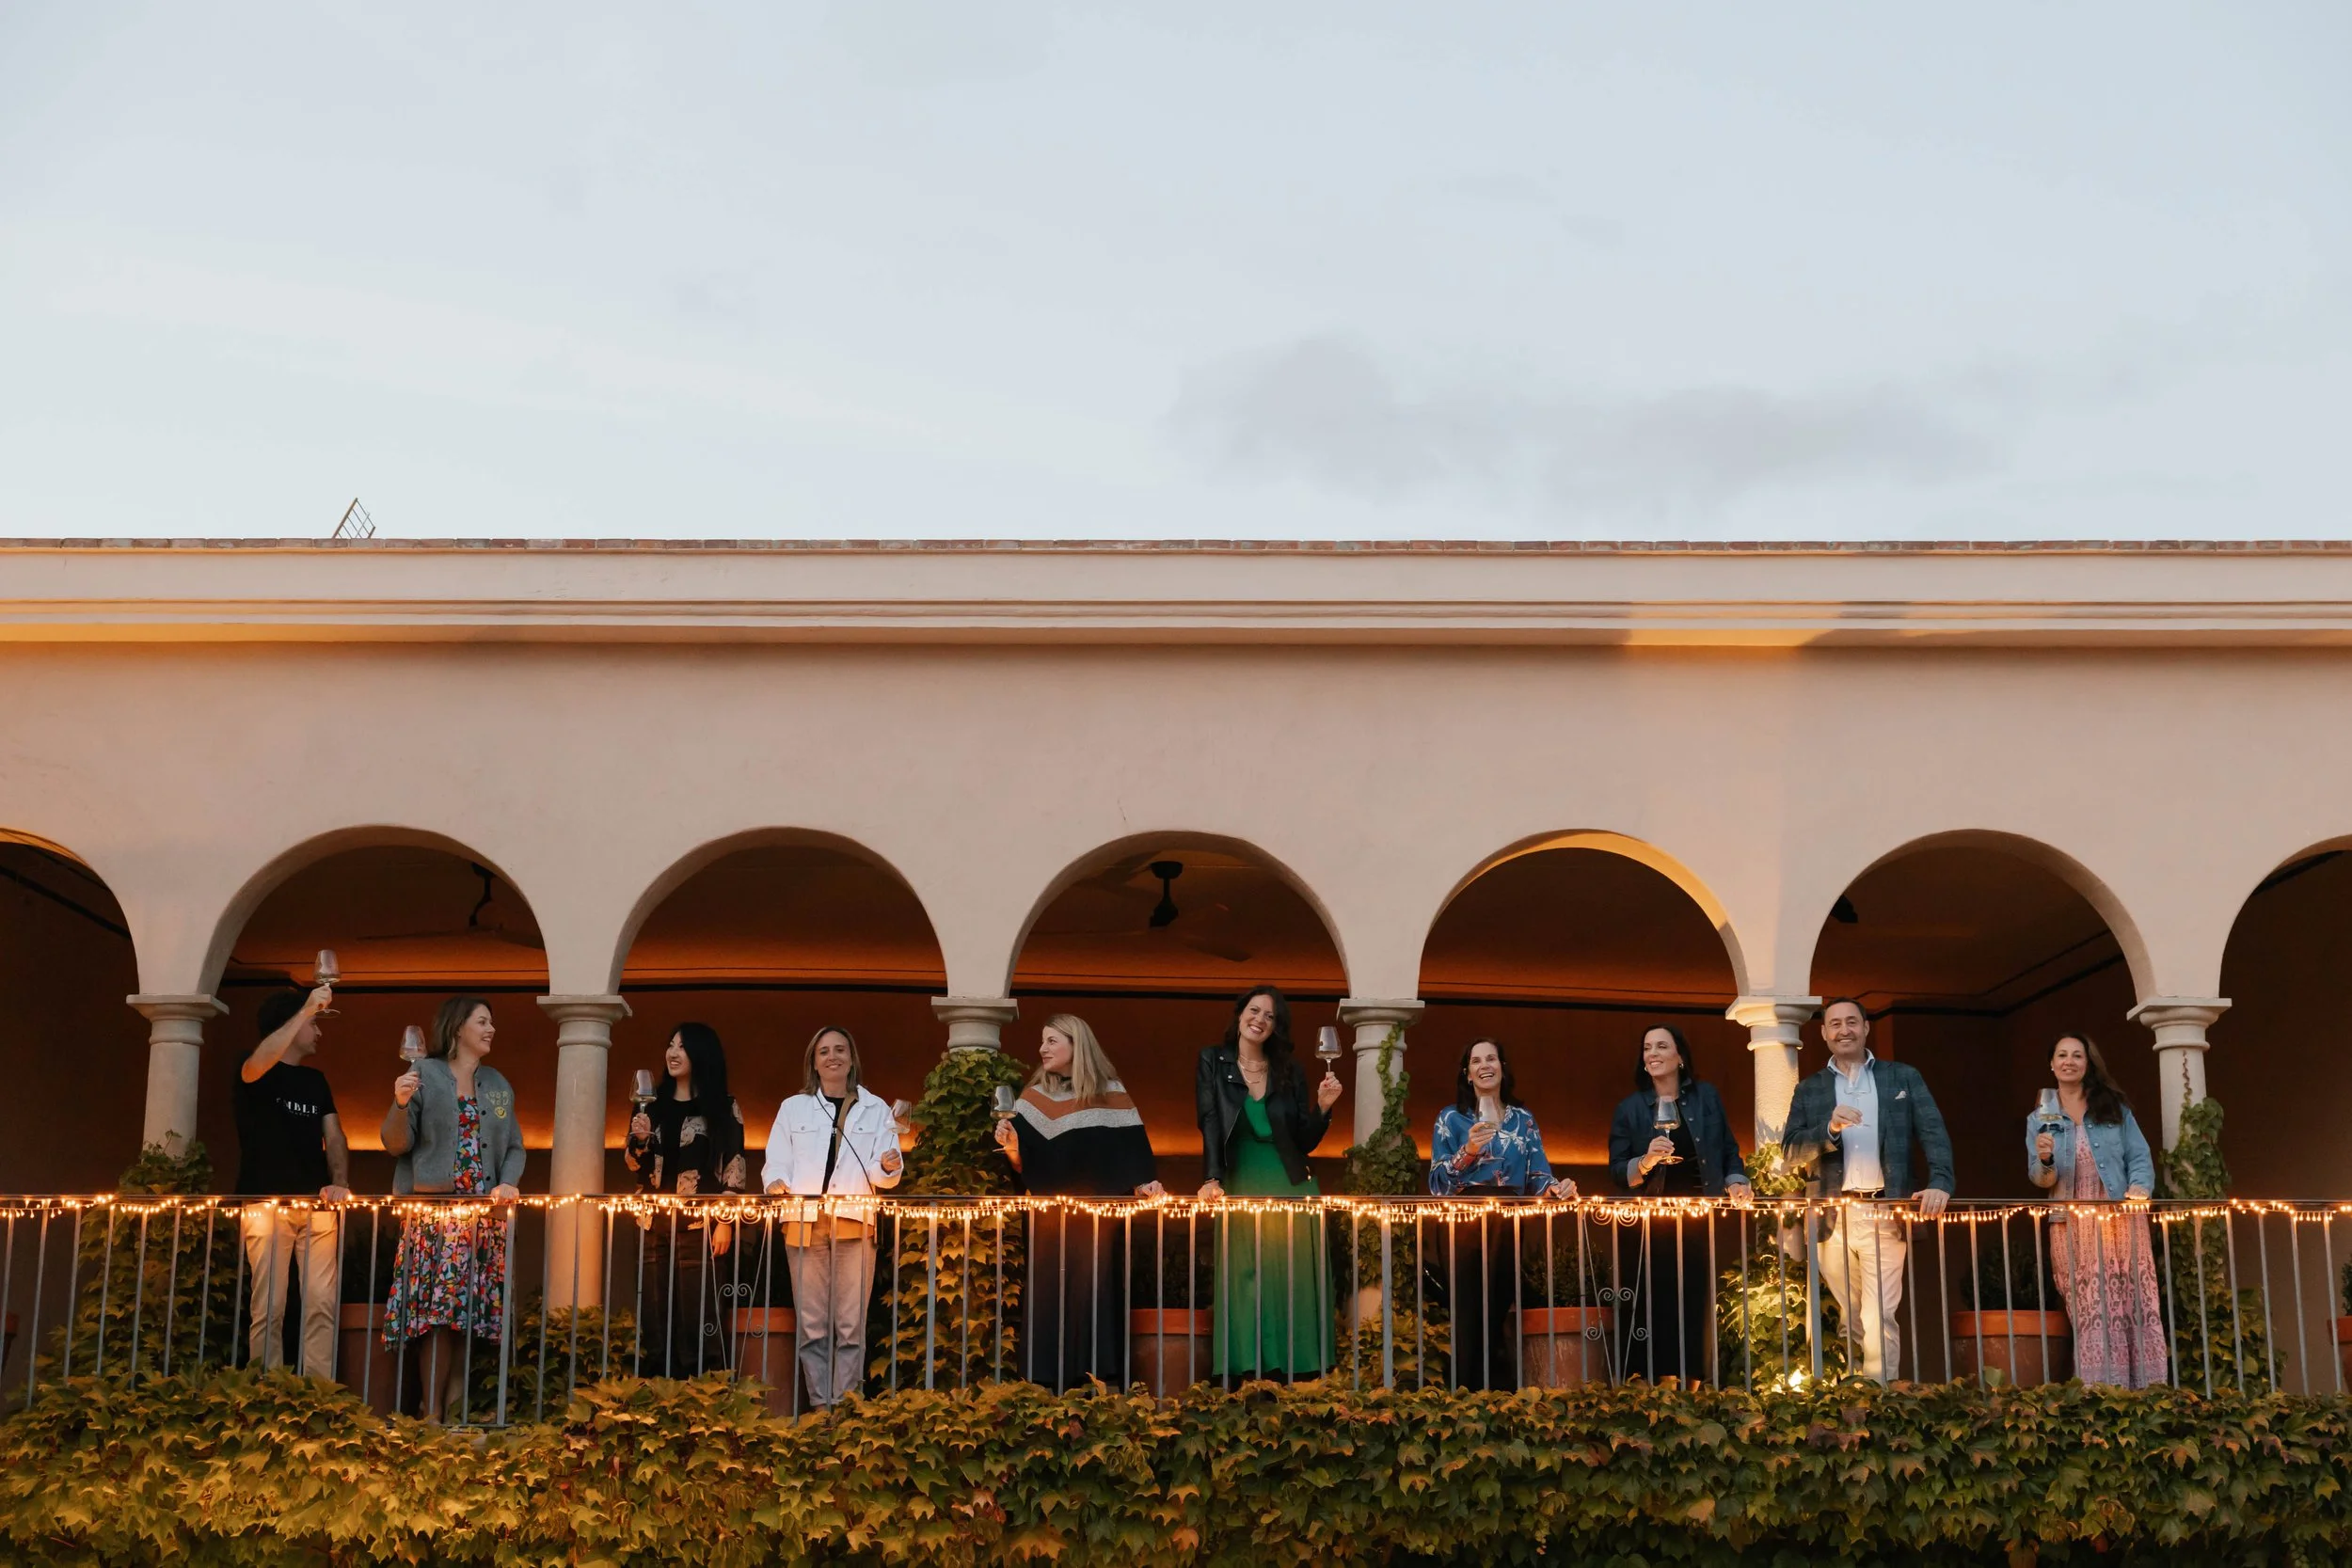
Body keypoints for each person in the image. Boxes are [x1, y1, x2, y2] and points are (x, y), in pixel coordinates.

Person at [1780, 998, 1953, 1384]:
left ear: (1866, 1028)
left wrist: (1940, 1181)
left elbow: (1933, 1133)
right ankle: (1857, 1395)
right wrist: (1828, 1131)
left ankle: (1881, 1401)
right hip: (1832, 1215)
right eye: (1835, 1024)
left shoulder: (1902, 1077)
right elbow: (1791, 1151)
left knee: (1880, 1313)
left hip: (1885, 1211)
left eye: (1852, 1022)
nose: (1844, 1030)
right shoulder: (1810, 1090)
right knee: (1852, 1314)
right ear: (1824, 1034)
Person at [992, 1015, 1165, 1390]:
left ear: (1077, 1044)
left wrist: (1144, 1183)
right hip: (1049, 1221)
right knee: (1048, 1295)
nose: (1043, 1049)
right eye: (1043, 1041)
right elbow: (1025, 1169)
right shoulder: (1031, 1097)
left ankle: (1099, 1379)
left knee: (1096, 1294)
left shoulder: (1112, 1094)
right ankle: (1043, 1382)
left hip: (1098, 1221)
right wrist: (1013, 1150)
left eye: (1052, 1040)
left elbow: (1132, 1156)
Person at [380, 995, 525, 1422]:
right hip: (435, 1216)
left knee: (468, 1316)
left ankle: (453, 1412)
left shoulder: (498, 1083)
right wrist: (401, 1103)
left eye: (491, 1022)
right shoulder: (424, 1073)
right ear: (458, 1027)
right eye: (482, 1021)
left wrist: (508, 1182)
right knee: (438, 1317)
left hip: (482, 1218)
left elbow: (515, 1146)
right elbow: (395, 1143)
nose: (491, 1029)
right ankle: (433, 1414)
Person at [1196, 985, 1342, 1383]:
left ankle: (1300, 1372)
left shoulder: (1290, 1070)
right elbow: (1210, 1121)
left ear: (1276, 1027)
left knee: (1289, 1278)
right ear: (1240, 1013)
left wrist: (1323, 1109)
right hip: (1241, 1179)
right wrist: (1212, 1177)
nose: (1260, 1019)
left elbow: (1304, 1139)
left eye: (1270, 1016)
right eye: (1255, 1010)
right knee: (1244, 1278)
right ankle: (1246, 1373)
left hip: (1290, 1182)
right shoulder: (1212, 1060)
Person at [762, 1025, 903, 1410]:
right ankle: (821, 1407)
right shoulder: (793, 1107)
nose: (832, 1056)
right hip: (803, 1219)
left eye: (840, 1049)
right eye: (824, 1051)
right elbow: (776, 1160)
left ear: (852, 1058)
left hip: (854, 1219)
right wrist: (776, 1181)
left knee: (850, 1325)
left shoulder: (877, 1108)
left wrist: (889, 1165)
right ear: (814, 1061)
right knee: (811, 1325)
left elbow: (884, 1172)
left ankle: (845, 1409)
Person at [1427, 1037, 1577, 1391]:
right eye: (1476, 1061)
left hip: (1509, 1219)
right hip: (1462, 1220)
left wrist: (1557, 1188)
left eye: (1491, 1058)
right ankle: (1461, 1398)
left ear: (1502, 1067)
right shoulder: (1450, 1118)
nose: (1484, 1065)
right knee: (1466, 1312)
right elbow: (1437, 1183)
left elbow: (1537, 1175)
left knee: (1499, 1308)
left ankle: (1497, 1398)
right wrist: (1468, 1150)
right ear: (1467, 1074)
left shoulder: (1523, 1119)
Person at [1605, 1024, 1752, 1384]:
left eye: (1661, 1046)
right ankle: (1647, 1381)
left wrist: (1736, 1181)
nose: (1652, 1054)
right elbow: (1616, 1171)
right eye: (1647, 1048)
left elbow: (1729, 1150)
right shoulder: (1631, 1108)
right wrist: (1645, 1162)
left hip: (1697, 1215)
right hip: (1647, 1220)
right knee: (1650, 1302)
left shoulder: (1706, 1098)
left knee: (1692, 1299)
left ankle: (1692, 1382)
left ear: (1680, 1057)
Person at [2026, 1033, 2167, 1389]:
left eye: (2077, 1055)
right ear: (2052, 1063)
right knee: (2090, 1307)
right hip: (2070, 1221)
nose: (2069, 1061)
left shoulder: (2113, 1108)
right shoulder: (2039, 1116)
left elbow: (2139, 1156)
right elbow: (2042, 1179)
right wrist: (2044, 1158)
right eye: (2062, 1055)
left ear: (2088, 1064)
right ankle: (2099, 1391)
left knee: (2130, 1300)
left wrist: (2139, 1188)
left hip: (2118, 1216)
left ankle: (2145, 1391)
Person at [232, 984, 353, 1378]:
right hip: (265, 1205)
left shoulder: (316, 1081)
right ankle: (267, 1393)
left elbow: (334, 1138)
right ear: (291, 1023)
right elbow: (258, 1065)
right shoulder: (252, 1069)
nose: (318, 1032)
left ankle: (318, 1395)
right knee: (269, 1305)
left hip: (318, 1208)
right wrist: (305, 1010)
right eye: (313, 1024)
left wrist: (339, 1183)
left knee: (322, 1303)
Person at [626, 1022, 750, 1378]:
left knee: (700, 1311)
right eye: (670, 1045)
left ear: (701, 1054)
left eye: (682, 1046)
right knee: (654, 1310)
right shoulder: (650, 1105)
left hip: (701, 1223)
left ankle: (704, 1391)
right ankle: (655, 1388)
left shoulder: (723, 1106)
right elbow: (635, 1165)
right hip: (652, 1221)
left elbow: (734, 1164)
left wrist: (725, 1221)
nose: (673, 1052)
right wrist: (640, 1141)